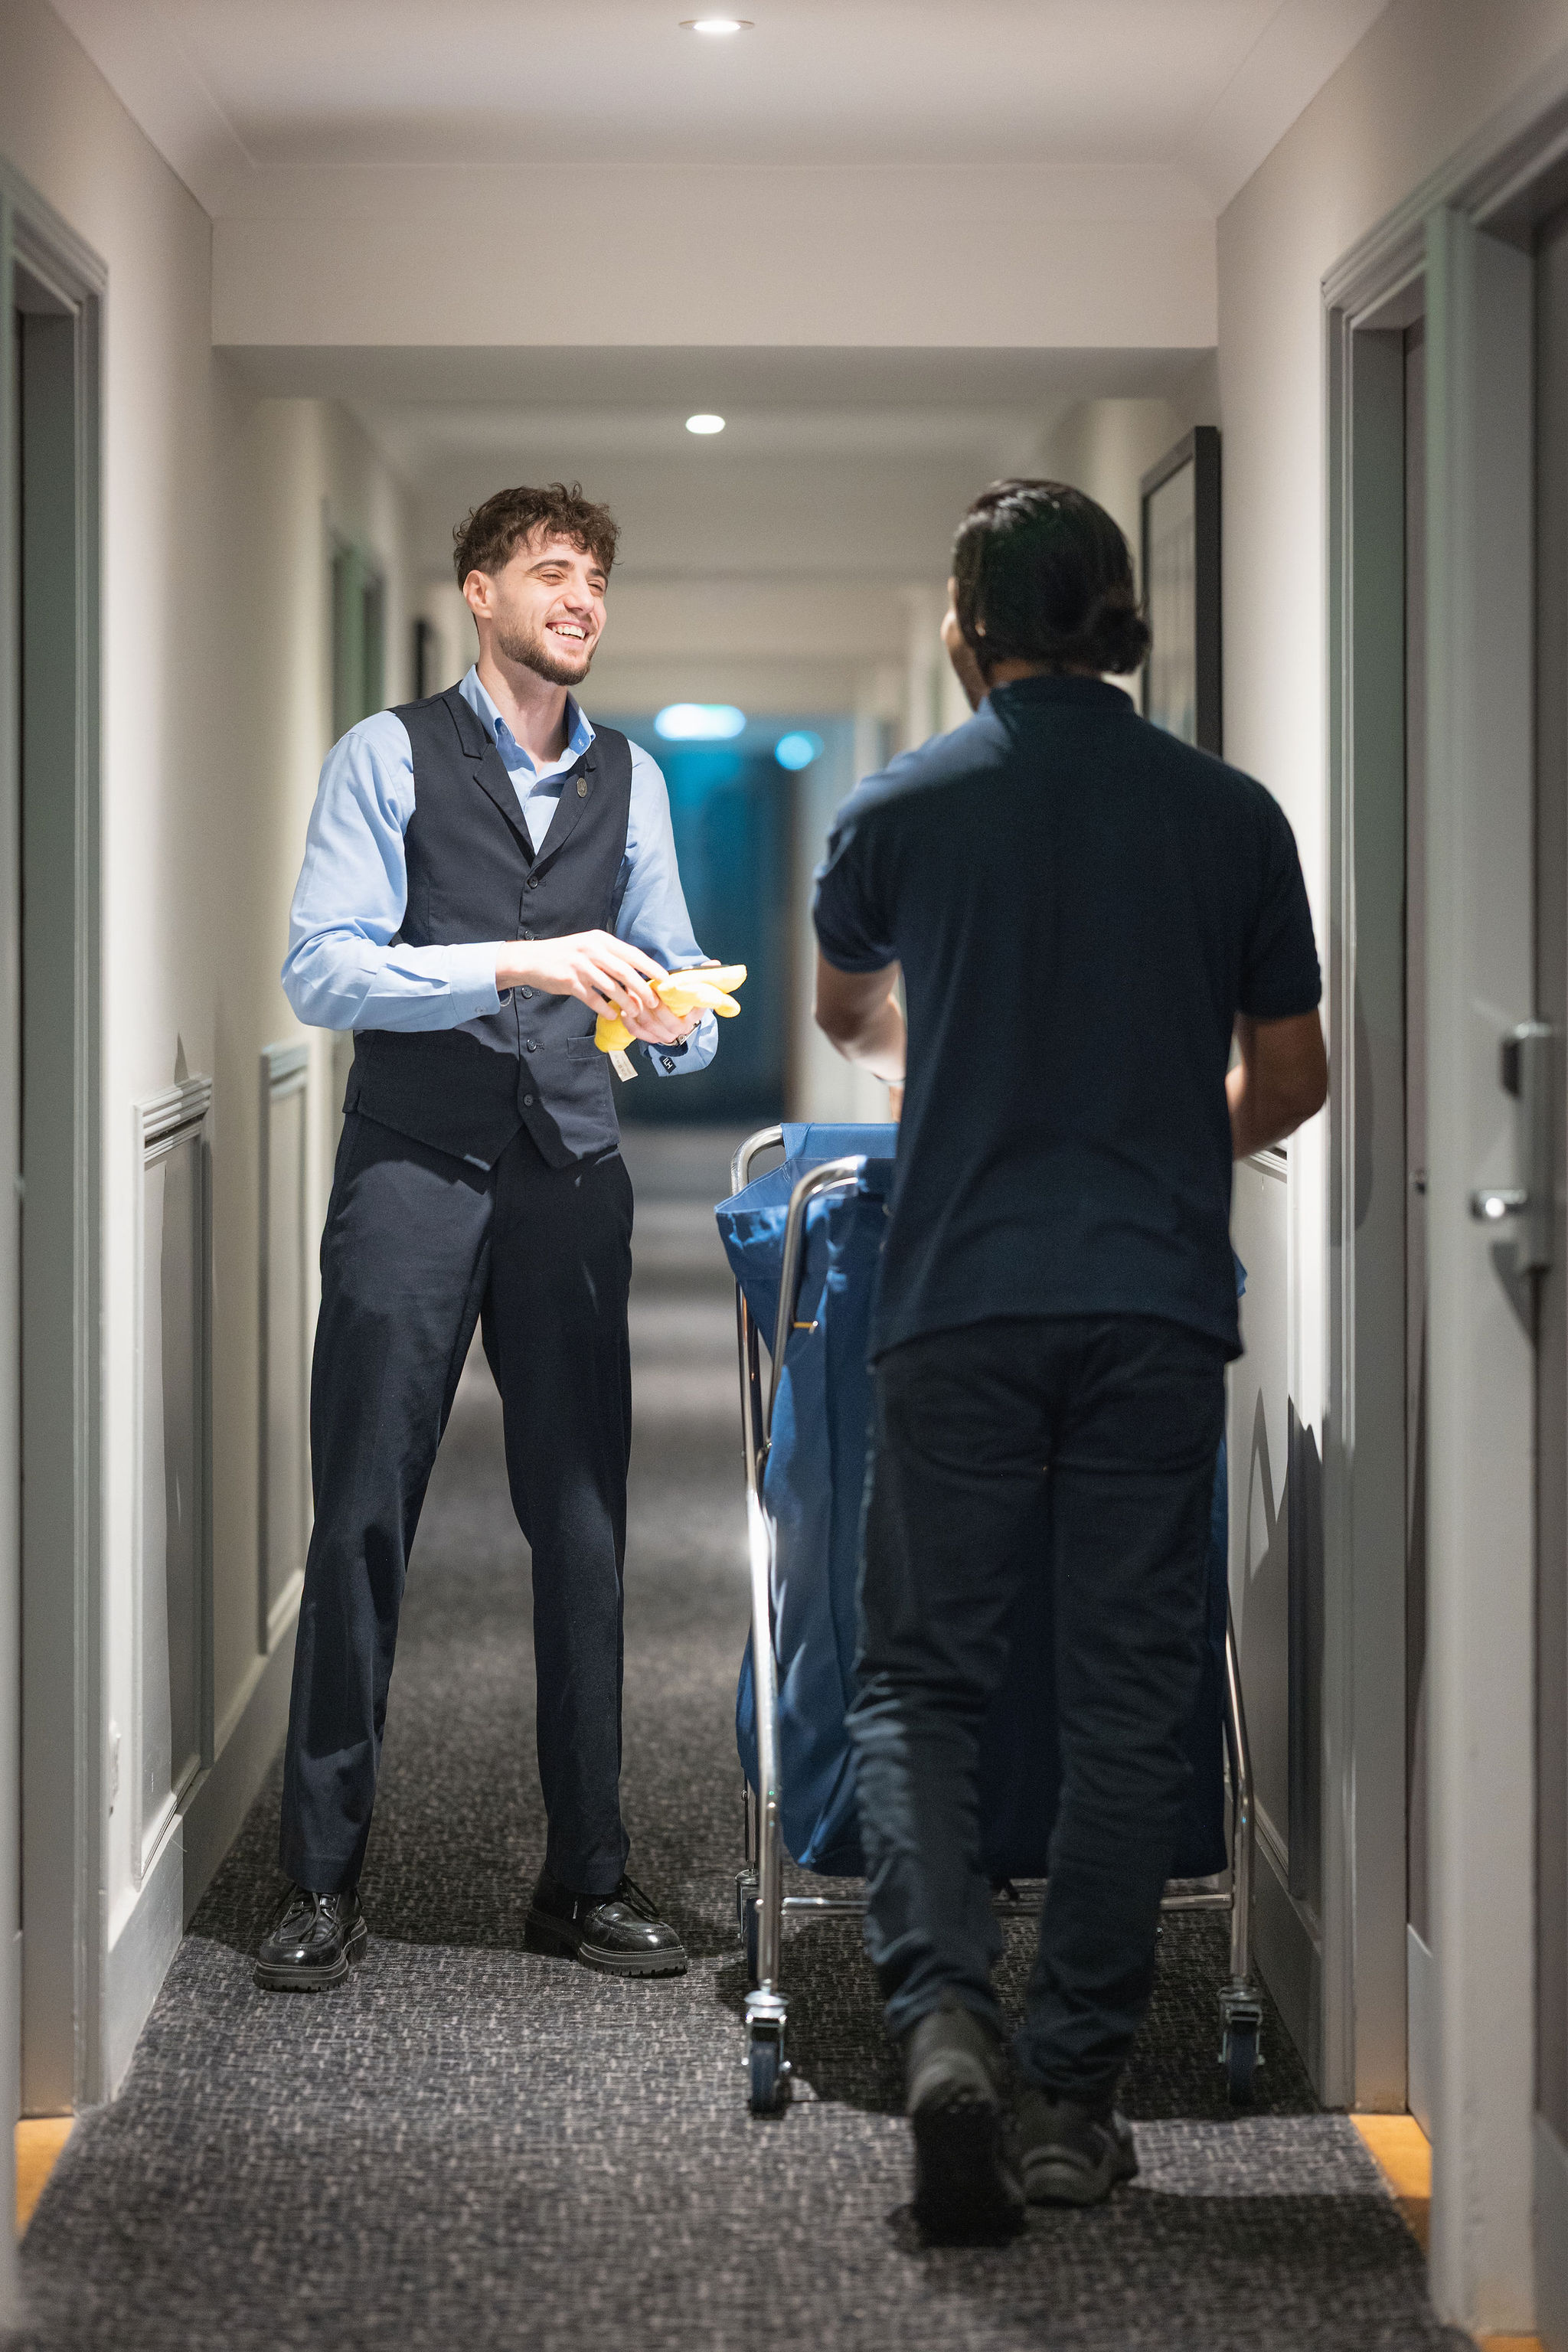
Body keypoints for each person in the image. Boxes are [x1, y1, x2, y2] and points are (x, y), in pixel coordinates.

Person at [812, 480, 1326, 2239]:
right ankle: (1070, 2100)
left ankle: (944, 2022)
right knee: (1125, 1701)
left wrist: (947, 1060)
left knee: (920, 1685)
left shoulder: (904, 805)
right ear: (1120, 618)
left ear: (968, 627)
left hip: (956, 1294)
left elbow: (843, 1008)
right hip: (1157, 1301)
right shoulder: (1227, 812)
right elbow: (1298, 1071)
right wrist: (1181, 1145)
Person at [256, 482, 719, 1991]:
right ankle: (320, 1880)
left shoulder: (629, 782)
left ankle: (587, 1877)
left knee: (583, 1528)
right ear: (479, 591)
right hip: (412, 1165)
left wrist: (677, 1011)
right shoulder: (385, 754)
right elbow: (322, 972)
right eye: (551, 574)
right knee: (361, 1515)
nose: (580, 601)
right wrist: (512, 960)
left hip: (573, 1171)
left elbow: (670, 976)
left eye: (596, 579)